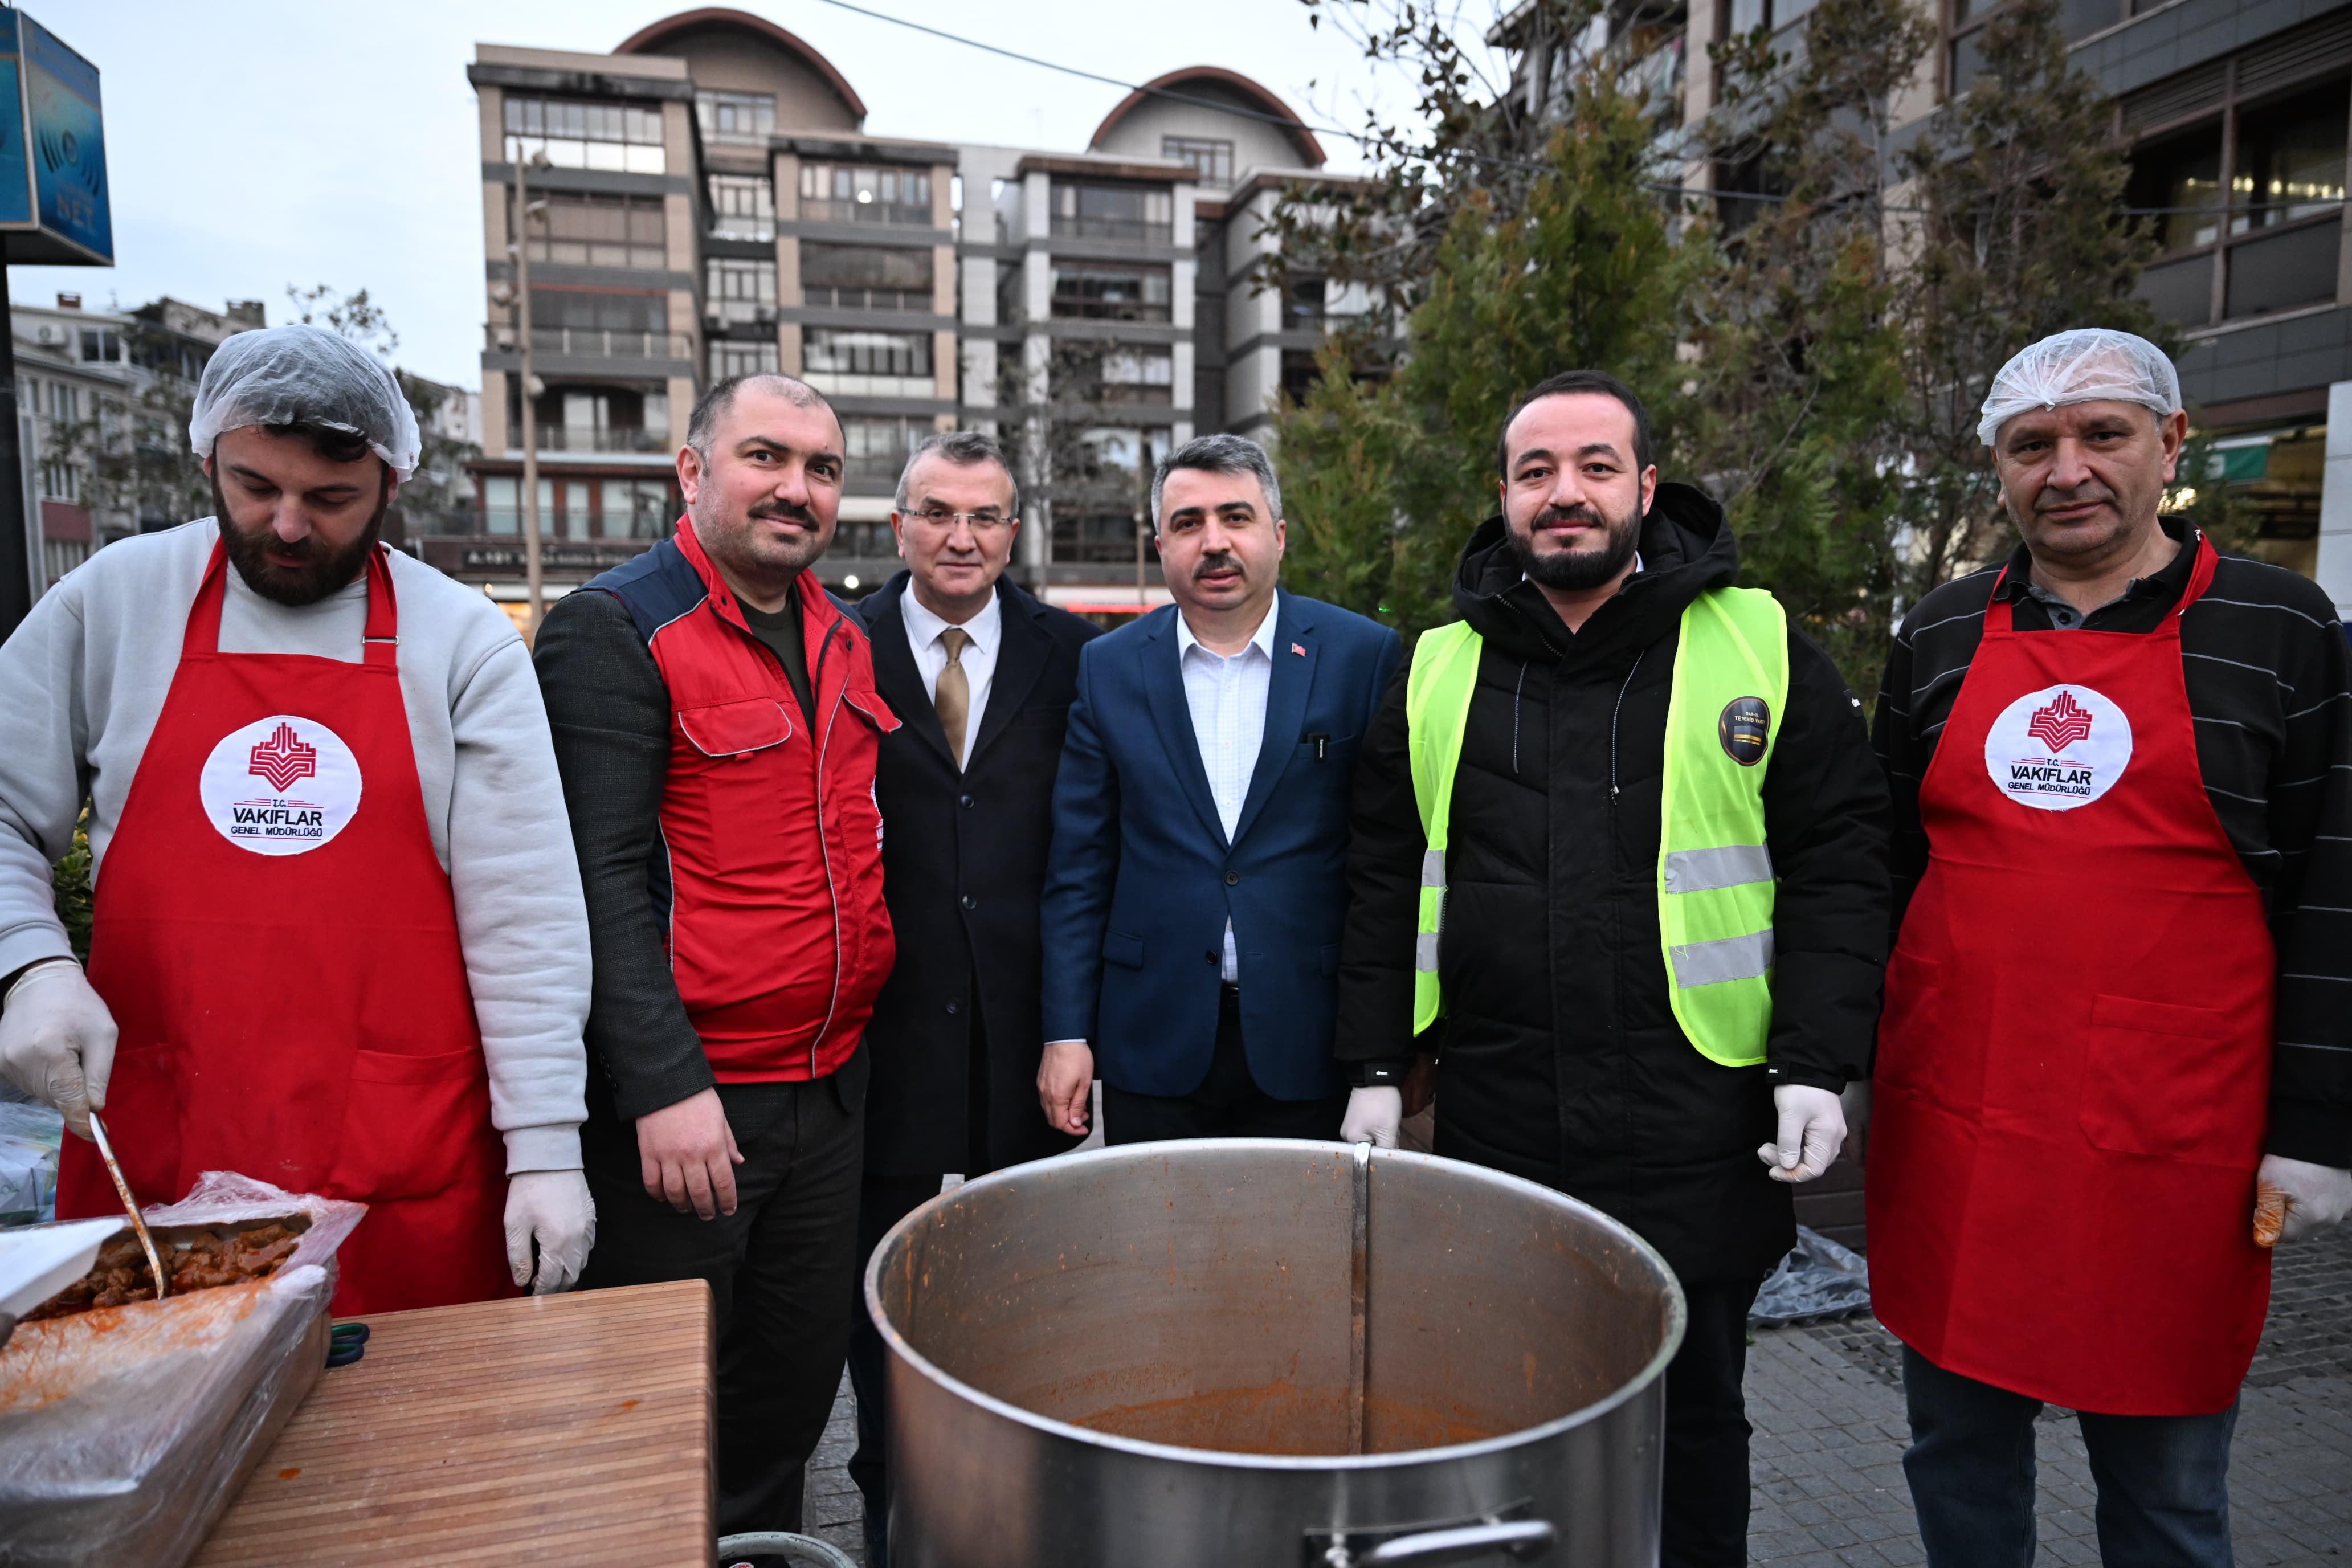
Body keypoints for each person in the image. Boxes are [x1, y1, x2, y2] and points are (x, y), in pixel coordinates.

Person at [1335, 370, 1890, 1568]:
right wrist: (1377, 1060)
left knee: (1693, 1420)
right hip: (1501, 1118)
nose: (1565, 493)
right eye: (1537, 472)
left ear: (1647, 485)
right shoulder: (1437, 664)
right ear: (1504, 496)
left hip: (1698, 1118)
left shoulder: (1756, 637)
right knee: (1513, 1411)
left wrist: (1816, 1059)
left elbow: (1842, 859)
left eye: (1594, 465)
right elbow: (1383, 873)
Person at [1867, 329, 2352, 1567]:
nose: (2067, 468)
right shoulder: (1935, 634)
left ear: (2171, 445)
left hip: (2175, 1136)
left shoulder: (2284, 629)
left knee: (2169, 1491)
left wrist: (2319, 1125)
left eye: (2104, 434)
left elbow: (2335, 892)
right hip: (1962, 1121)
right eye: (2034, 445)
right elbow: (1884, 870)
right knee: (1956, 1456)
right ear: (1998, 467)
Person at [0, 325, 594, 1312]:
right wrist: (29, 960)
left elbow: (524, 918)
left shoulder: (458, 641)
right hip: (162, 1148)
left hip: (394, 1161)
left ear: (390, 482)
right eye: (253, 487)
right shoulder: (113, 603)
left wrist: (545, 1147)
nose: (285, 526)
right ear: (206, 459)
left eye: (329, 500)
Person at [532, 373, 896, 1540]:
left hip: (829, 1096)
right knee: (656, 1420)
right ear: (692, 473)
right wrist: (666, 1083)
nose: (797, 488)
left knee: (784, 1407)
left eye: (823, 468)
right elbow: (592, 879)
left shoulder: (841, 633)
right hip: (695, 1111)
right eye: (767, 456)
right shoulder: (617, 627)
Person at [846, 430, 1099, 1565]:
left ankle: (1026, 1522)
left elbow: (1086, 848)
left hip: (1024, 1048)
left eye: (986, 515)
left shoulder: (1073, 652)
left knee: (1029, 1311)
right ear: (897, 525)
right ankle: (895, 1519)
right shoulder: (831, 642)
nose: (961, 535)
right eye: (937, 511)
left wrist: (1071, 1024)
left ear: (1014, 529)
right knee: (879, 1320)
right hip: (880, 1043)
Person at [1037, 434, 1399, 1144]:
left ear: (1279, 534)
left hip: (1312, 1039)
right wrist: (1067, 1031)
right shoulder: (1106, 669)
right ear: (1159, 545)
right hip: (1154, 1040)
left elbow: (1382, 873)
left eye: (1236, 517)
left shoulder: (1363, 656)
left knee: (1308, 1256)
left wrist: (1379, 1062)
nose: (1214, 542)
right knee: (1159, 1254)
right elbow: (1079, 870)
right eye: (1188, 523)